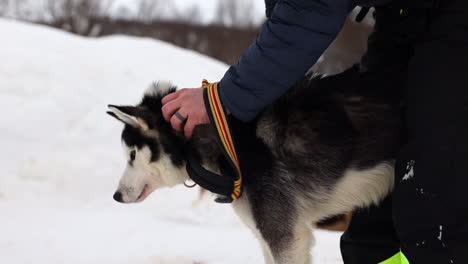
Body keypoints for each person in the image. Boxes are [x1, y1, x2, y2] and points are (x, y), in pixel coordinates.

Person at [161, 0, 468, 263]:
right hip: (404, 16)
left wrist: (224, 98)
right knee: (373, 232)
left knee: (434, 204)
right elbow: (291, 11)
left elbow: (307, 15)